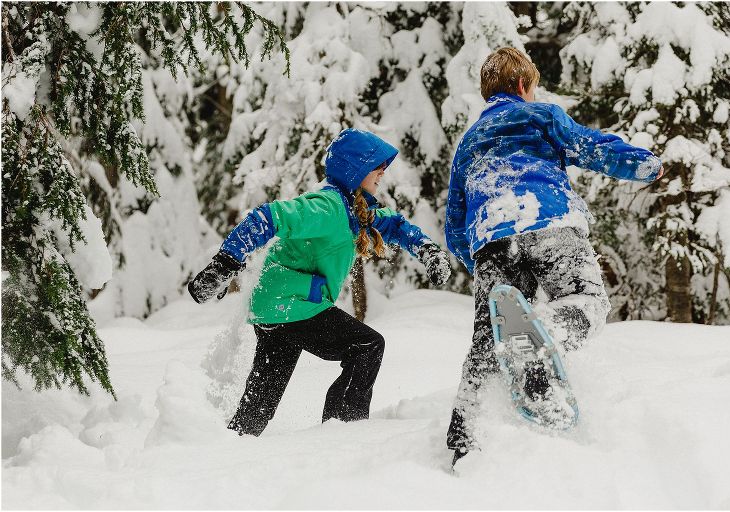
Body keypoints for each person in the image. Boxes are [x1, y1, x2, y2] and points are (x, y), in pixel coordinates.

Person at [444, 47, 664, 465]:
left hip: (491, 240)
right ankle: (545, 331)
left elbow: (454, 221)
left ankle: (463, 441)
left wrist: (480, 262)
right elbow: (591, 147)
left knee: (487, 342)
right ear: (522, 85)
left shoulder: (469, 142)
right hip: (548, 221)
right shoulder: (540, 115)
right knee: (588, 302)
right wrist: (645, 166)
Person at [188, 128, 451, 436]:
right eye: (375, 165)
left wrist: (428, 251)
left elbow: (393, 224)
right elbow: (267, 217)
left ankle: (230, 443)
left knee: (261, 403)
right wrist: (225, 264)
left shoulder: (353, 209)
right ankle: (342, 435)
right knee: (366, 346)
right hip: (293, 303)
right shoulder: (327, 206)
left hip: (278, 305)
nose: (382, 171)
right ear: (354, 170)